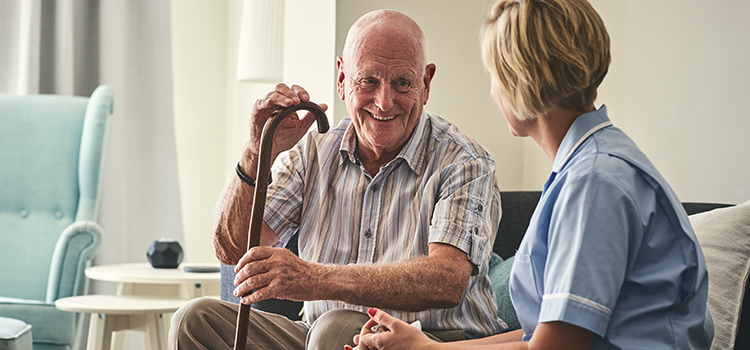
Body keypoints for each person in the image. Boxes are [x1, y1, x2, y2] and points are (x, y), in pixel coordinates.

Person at [348, 0, 715, 349]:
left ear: (519, 80)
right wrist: (424, 344)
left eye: (493, 76)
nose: (492, 92)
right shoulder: (591, 163)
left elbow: (553, 348)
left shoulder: (593, 183)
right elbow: (541, 334)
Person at [169, 9, 506, 350]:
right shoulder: (313, 153)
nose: (384, 101)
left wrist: (314, 279)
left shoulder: (465, 161)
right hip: (317, 337)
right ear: (342, 79)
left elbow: (445, 281)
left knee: (336, 327)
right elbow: (232, 249)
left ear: (426, 83)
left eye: (402, 82)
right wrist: (257, 154)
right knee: (195, 319)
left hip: (431, 340)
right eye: (369, 81)